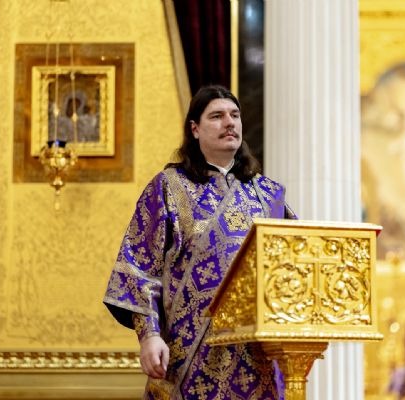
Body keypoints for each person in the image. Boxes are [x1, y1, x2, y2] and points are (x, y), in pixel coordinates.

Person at [103, 85, 295, 399]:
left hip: (258, 358)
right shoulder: (168, 187)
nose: (229, 123)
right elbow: (138, 268)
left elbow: (295, 263)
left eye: (234, 115)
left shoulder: (268, 194)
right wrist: (149, 335)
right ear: (195, 129)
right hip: (189, 356)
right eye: (217, 116)